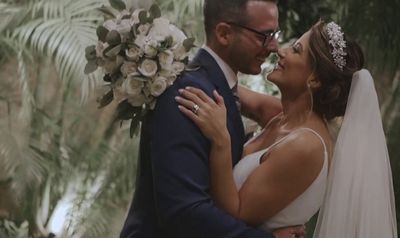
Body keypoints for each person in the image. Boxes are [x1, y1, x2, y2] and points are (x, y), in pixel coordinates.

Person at [176, 20, 398, 237]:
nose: (280, 52)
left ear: (314, 80)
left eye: (296, 50)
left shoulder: (306, 145)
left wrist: (221, 141)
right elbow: (224, 88)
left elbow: (236, 214)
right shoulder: (282, 117)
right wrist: (169, 59)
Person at [120, 0, 305, 237]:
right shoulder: (188, 93)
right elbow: (183, 212)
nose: (274, 46)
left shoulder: (217, 89)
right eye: (265, 35)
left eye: (275, 34)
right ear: (224, 33)